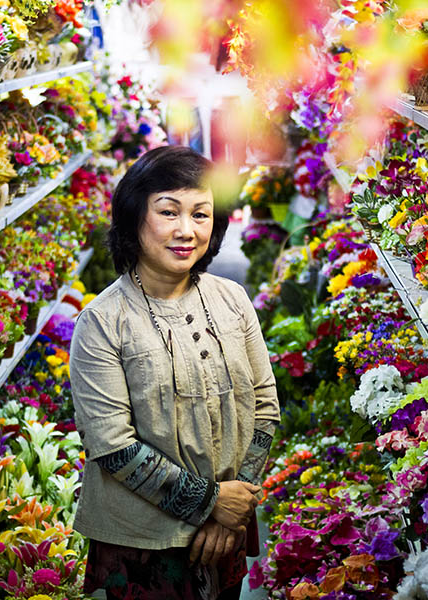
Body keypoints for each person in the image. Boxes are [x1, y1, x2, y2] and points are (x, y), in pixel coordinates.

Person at [70, 145, 281, 600]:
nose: (187, 230)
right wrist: (210, 504)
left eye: (201, 214)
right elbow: (113, 446)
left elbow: (265, 407)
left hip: (227, 527)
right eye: (169, 212)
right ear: (134, 218)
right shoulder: (103, 321)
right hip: (144, 543)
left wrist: (234, 507)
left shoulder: (232, 299)